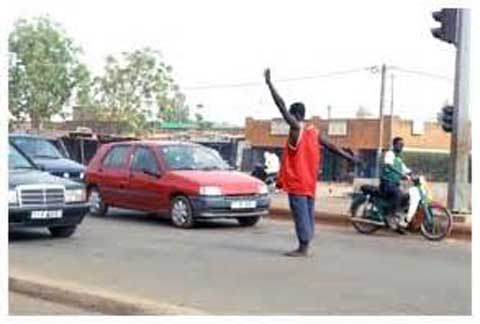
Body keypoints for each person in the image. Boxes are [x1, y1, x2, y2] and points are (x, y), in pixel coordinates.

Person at [264, 68, 359, 257]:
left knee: (300, 215)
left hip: (298, 182)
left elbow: (281, 107)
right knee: (307, 214)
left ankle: (303, 247)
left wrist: (270, 85)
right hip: (309, 182)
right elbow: (332, 146)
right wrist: (350, 158)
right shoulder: (313, 131)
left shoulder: (296, 129)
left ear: (294, 115)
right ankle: (306, 242)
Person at [380, 137, 412, 230]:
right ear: (394, 145)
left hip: (394, 184)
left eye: (403, 145)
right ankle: (390, 215)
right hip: (387, 183)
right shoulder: (390, 154)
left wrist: (413, 174)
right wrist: (401, 174)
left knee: (406, 196)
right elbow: (388, 165)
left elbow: (405, 170)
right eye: (399, 145)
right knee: (398, 194)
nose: (401, 147)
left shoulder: (398, 158)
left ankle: (398, 218)